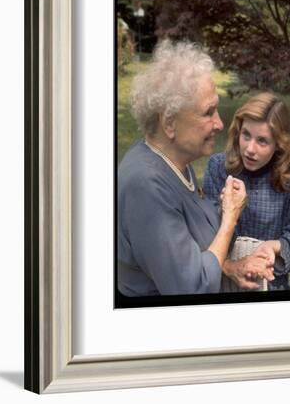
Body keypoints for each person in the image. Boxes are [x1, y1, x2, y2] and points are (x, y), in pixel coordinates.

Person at [117, 40, 274, 296]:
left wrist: (228, 266)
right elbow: (193, 287)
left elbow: (186, 249)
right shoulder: (144, 185)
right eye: (208, 112)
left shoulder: (177, 164)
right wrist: (230, 218)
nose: (220, 123)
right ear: (169, 122)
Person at [203, 92, 290, 291]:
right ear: (238, 131)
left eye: (262, 141)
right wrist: (224, 211)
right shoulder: (219, 168)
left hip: (269, 285)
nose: (250, 149)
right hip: (222, 281)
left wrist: (275, 246)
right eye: (246, 135)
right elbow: (202, 232)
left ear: (279, 144)